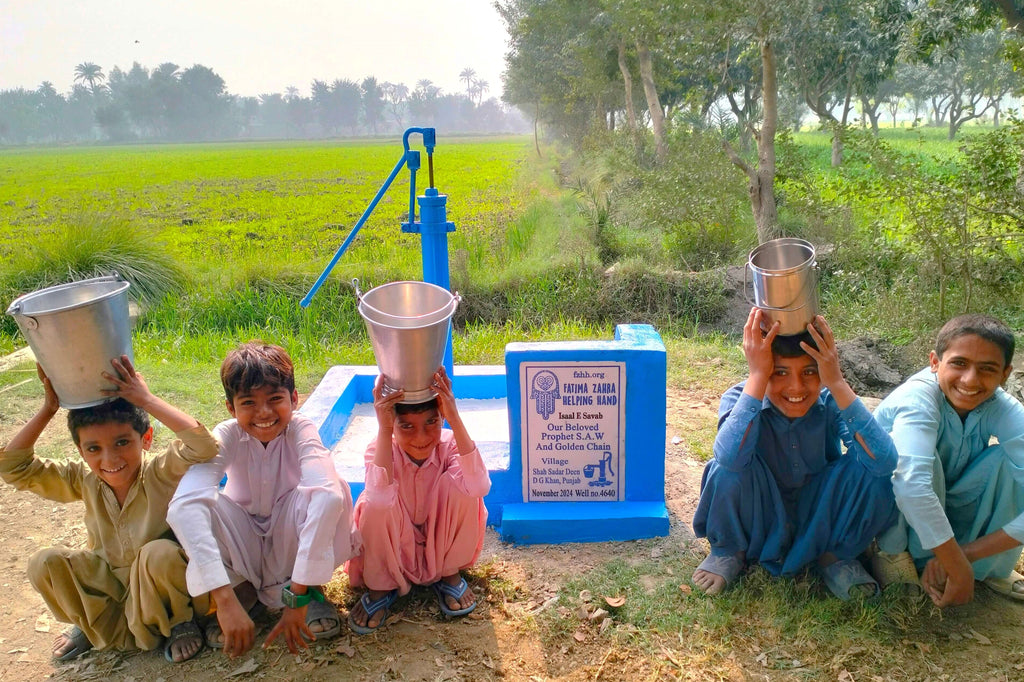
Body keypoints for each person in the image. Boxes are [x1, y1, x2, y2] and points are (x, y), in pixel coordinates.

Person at [0, 357, 218, 664]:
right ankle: (90, 625)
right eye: (93, 449)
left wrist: (146, 399)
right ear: (80, 450)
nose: (110, 458)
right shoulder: (82, 478)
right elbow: (13, 467)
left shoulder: (160, 472)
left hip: (163, 590)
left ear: (146, 439)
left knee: (158, 552)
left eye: (122, 442)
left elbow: (204, 447)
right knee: (45, 562)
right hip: (112, 592)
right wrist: (48, 408)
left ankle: (180, 624)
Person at [691, 308, 898, 600]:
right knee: (725, 464)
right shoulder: (741, 397)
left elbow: (885, 461)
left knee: (874, 469)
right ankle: (730, 550)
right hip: (760, 510)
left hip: (819, 511)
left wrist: (837, 383)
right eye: (780, 372)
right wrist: (759, 375)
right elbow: (728, 458)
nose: (796, 387)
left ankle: (834, 557)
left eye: (810, 372)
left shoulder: (830, 399)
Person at [167, 341, 357, 658]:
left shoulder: (301, 429)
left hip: (289, 535)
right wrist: (223, 599)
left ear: (294, 399)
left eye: (274, 399)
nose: (264, 413)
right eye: (249, 403)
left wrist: (296, 597)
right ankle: (242, 595)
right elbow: (183, 506)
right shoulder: (227, 434)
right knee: (198, 504)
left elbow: (326, 494)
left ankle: (308, 590)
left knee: (332, 487)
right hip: (244, 543)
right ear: (231, 407)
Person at [873, 313, 1024, 607]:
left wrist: (964, 557)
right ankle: (892, 554)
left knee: (1008, 462)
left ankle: (985, 565)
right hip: (888, 508)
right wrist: (956, 566)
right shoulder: (918, 399)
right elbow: (912, 486)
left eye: (987, 369)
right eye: (959, 363)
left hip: (945, 501)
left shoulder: (1001, 407)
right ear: (934, 362)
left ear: (1005, 374)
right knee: (915, 465)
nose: (971, 380)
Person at [345, 367, 490, 634]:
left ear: (441, 418)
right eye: (406, 426)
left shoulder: (451, 445)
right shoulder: (379, 449)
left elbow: (479, 485)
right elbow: (378, 499)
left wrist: (454, 417)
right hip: (396, 545)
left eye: (431, 423)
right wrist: (384, 426)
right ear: (393, 425)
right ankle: (381, 585)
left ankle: (449, 573)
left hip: (441, 541)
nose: (420, 438)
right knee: (374, 502)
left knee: (466, 487)